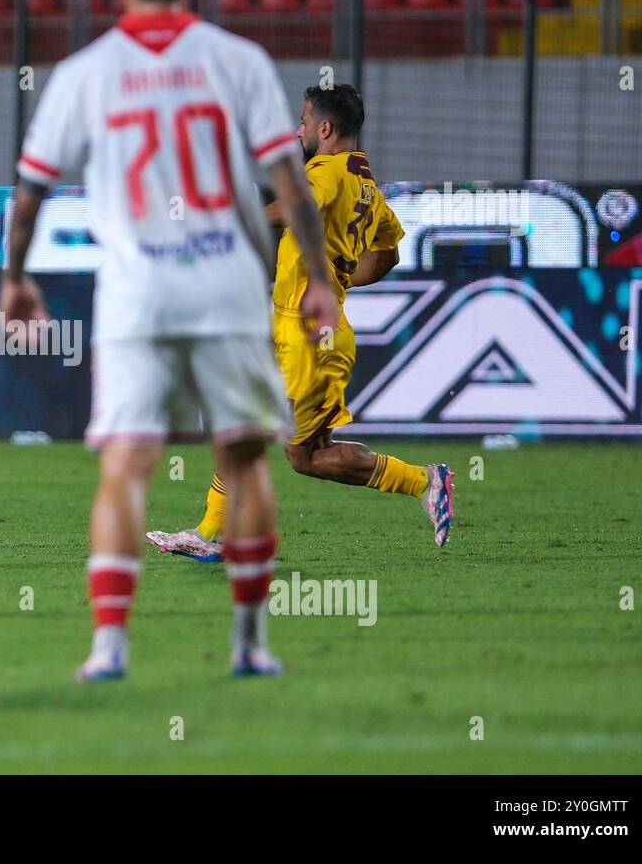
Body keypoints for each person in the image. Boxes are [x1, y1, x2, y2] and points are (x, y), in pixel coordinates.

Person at [0, 0, 338, 681]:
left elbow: (30, 192)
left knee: (125, 466)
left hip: (136, 295)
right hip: (226, 285)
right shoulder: (239, 60)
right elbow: (290, 184)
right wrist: (318, 279)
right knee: (245, 462)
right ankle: (250, 643)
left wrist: (15, 277)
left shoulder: (85, 71)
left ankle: (109, 646)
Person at [148, 84, 455, 561]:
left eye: (305, 121)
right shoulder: (367, 186)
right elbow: (388, 253)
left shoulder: (325, 170)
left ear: (325, 129)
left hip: (308, 337)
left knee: (277, 441)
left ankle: (214, 533)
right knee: (278, 441)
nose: (299, 130)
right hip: (302, 328)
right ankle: (212, 533)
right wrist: (339, 276)